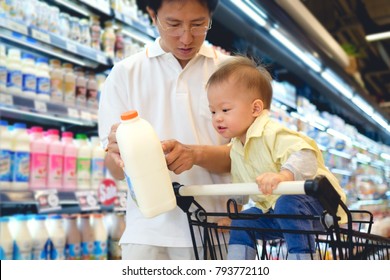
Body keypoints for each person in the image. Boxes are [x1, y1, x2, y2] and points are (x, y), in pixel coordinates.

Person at [98, 0, 233, 260]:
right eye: (173, 24)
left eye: (198, 25)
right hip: (147, 235)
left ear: (211, 17)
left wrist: (195, 154)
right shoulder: (125, 74)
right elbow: (114, 169)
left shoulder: (231, 72)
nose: (186, 37)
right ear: (152, 14)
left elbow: (250, 156)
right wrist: (119, 152)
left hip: (215, 231)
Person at [206, 55, 347, 260]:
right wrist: (233, 217)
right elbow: (240, 187)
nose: (217, 117)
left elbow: (305, 155)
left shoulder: (271, 132)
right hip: (278, 214)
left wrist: (284, 176)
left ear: (255, 108)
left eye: (225, 109)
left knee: (286, 203)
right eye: (213, 111)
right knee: (244, 220)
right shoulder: (236, 148)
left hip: (318, 207)